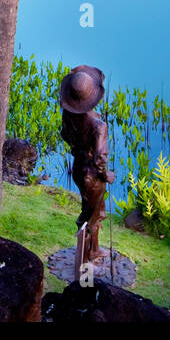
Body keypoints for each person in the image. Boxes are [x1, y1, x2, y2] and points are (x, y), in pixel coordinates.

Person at [58, 65, 115, 278]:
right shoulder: (99, 126)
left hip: (78, 167)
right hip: (92, 173)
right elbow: (101, 157)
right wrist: (106, 175)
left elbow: (65, 135)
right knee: (92, 215)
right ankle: (85, 262)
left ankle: (94, 250)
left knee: (94, 210)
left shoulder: (69, 115)